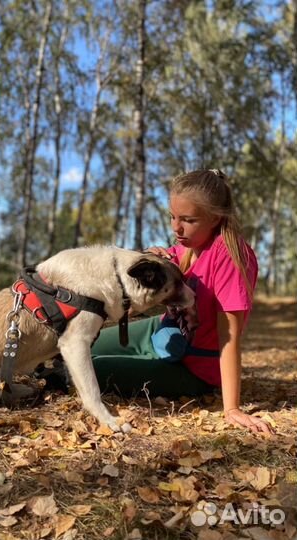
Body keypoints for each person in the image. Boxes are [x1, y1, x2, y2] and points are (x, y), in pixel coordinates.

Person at [91, 169, 272, 434]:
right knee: (83, 343)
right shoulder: (188, 244)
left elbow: (228, 337)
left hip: (192, 366)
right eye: (172, 216)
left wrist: (231, 408)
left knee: (88, 367)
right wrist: (150, 256)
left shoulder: (231, 257)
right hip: (157, 332)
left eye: (187, 219)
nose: (176, 227)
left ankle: (52, 376)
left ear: (215, 217)